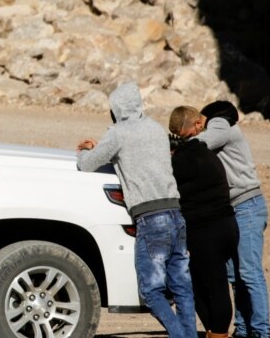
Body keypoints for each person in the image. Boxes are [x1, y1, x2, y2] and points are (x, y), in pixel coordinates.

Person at [76, 82, 196, 338]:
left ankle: (179, 335)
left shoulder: (118, 132)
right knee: (182, 286)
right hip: (176, 214)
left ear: (116, 108)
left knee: (151, 292)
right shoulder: (155, 128)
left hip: (152, 219)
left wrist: (87, 150)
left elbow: (88, 164)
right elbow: (138, 157)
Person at [181, 101, 270, 338]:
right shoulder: (221, 126)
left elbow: (202, 142)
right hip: (232, 210)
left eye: (200, 123)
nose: (198, 128)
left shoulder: (221, 124)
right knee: (235, 276)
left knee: (250, 274)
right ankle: (242, 329)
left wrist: (179, 145)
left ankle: (262, 332)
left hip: (247, 206)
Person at [168, 107, 239, 338]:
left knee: (205, 286)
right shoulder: (207, 153)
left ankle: (216, 333)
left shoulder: (180, 162)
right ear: (196, 126)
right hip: (228, 226)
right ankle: (216, 332)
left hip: (205, 232)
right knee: (215, 283)